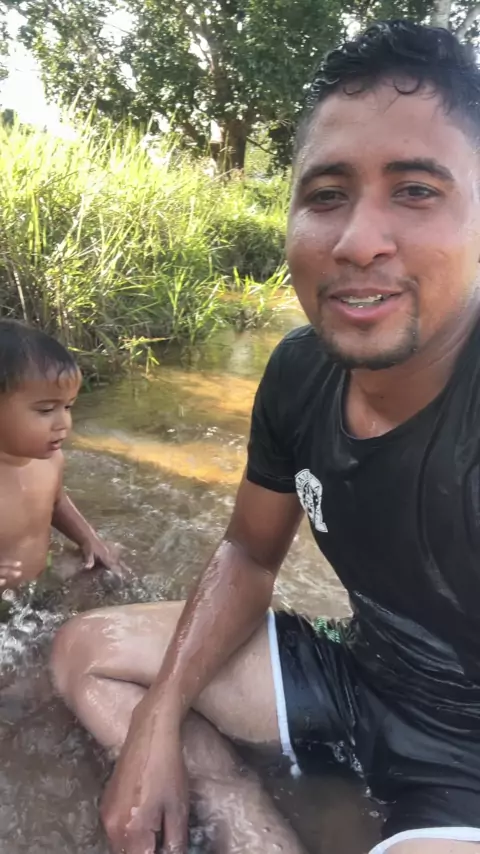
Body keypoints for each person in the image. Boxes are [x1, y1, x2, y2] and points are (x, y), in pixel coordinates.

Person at [51, 18, 480, 854]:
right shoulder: (298, 370)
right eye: (327, 195)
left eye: (416, 191)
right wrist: (160, 721)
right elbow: (249, 555)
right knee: (85, 652)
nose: (357, 241)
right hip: (359, 677)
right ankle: (247, 820)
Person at [0, 318, 120, 597]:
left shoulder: (51, 460)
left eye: (68, 407)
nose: (64, 423)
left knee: (110, 558)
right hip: (5, 608)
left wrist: (88, 538)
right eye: (45, 410)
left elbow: (55, 501)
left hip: (37, 583)